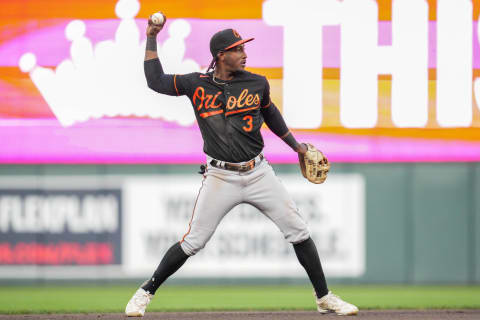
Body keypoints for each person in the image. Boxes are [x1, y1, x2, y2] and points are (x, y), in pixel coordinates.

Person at [125, 13, 359, 317]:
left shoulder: (257, 83)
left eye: (243, 48)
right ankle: (146, 291)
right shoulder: (196, 84)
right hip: (220, 176)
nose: (244, 54)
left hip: (259, 172)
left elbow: (271, 115)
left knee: (298, 230)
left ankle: (324, 297)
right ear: (221, 56)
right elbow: (155, 81)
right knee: (193, 241)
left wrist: (297, 147)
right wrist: (152, 35)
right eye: (238, 49)